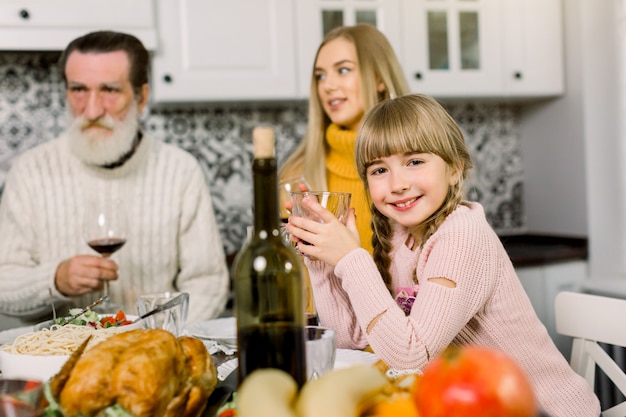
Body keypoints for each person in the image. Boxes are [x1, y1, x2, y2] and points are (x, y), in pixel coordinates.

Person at [286, 94, 601, 416]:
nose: (397, 184)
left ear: (455, 169)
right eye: (379, 170)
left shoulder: (462, 234)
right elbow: (352, 337)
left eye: (414, 162)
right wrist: (321, 259)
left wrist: (352, 260)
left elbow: (410, 355)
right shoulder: (401, 237)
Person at [0, 31, 229, 324]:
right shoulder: (30, 171)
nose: (92, 110)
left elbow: (209, 284)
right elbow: (4, 285)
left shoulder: (180, 170)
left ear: (141, 97)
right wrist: (56, 280)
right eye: (79, 90)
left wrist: (152, 336)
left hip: (150, 355)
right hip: (55, 360)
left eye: (109, 90)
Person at [279, 24, 410, 253]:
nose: (327, 86)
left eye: (343, 70)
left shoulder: (418, 167)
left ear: (379, 78)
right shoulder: (297, 176)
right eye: (320, 76)